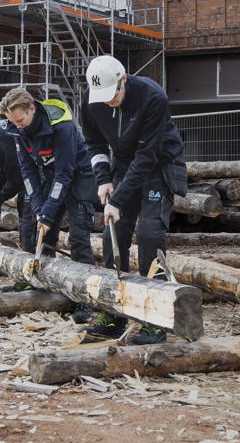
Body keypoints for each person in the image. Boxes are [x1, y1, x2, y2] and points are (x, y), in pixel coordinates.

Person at [81, 55, 187, 344]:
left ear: (123, 79)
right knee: (112, 233)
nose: (108, 102)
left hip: (158, 164)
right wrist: (103, 179)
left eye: (113, 94)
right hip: (124, 166)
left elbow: (147, 155)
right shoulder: (90, 99)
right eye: (101, 97)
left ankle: (156, 317)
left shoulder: (152, 97)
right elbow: (94, 143)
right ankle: (114, 311)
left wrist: (119, 197)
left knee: (150, 233)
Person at [0, 88, 95, 323]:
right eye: (13, 122)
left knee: (78, 237)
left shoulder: (62, 127)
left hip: (78, 179)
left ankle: (86, 299)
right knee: (38, 228)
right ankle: (39, 281)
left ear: (32, 109)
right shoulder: (17, 131)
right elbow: (27, 171)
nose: (18, 126)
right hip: (48, 176)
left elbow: (65, 172)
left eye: (20, 120)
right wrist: (40, 208)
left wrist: (49, 212)